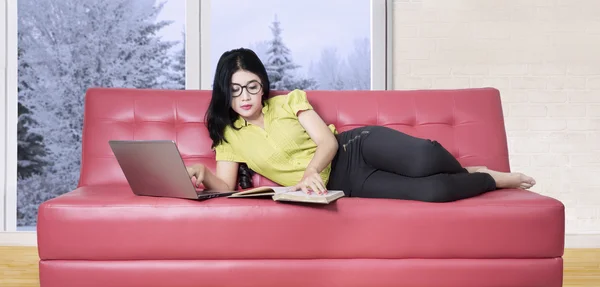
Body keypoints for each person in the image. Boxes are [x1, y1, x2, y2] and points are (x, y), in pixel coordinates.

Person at [187, 48, 536, 202]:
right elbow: (227, 187)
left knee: (426, 158)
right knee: (434, 192)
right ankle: (488, 179)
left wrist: (309, 172)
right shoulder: (229, 136)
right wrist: (205, 175)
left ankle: (471, 170)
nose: (245, 96)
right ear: (225, 93)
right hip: (347, 182)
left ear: (263, 85)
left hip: (355, 147)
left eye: (252, 86)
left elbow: (328, 142)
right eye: (235, 90)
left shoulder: (288, 102)